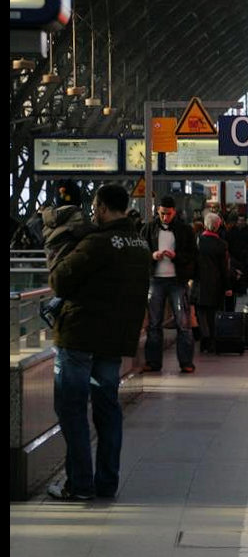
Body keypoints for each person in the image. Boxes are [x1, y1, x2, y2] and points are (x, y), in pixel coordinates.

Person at [47, 184, 150, 500]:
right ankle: (106, 483)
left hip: (80, 336)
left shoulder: (98, 243)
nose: (93, 210)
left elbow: (59, 280)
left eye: (95, 205)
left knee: (72, 408)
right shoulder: (140, 245)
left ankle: (79, 484)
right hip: (114, 340)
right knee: (107, 409)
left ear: (103, 206)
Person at [140, 195, 198, 373]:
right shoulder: (148, 229)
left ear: (174, 212)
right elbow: (141, 251)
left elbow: (193, 254)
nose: (166, 217)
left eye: (169, 214)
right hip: (155, 279)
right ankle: (153, 362)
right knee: (154, 323)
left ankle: (186, 362)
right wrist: (153, 255)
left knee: (183, 322)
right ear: (158, 211)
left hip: (177, 280)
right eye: (163, 213)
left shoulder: (185, 230)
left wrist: (176, 257)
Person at [37, 180, 96, 328]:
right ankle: (52, 308)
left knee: (66, 288)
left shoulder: (49, 217)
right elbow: (87, 231)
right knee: (76, 287)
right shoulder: (76, 215)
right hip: (67, 259)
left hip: (52, 259)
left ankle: (53, 309)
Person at [192, 213, 232, 353]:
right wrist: (227, 287)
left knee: (200, 312)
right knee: (213, 313)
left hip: (199, 283)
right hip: (216, 284)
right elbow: (224, 268)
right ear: (217, 226)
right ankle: (212, 341)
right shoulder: (221, 244)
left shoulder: (197, 241)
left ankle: (205, 338)